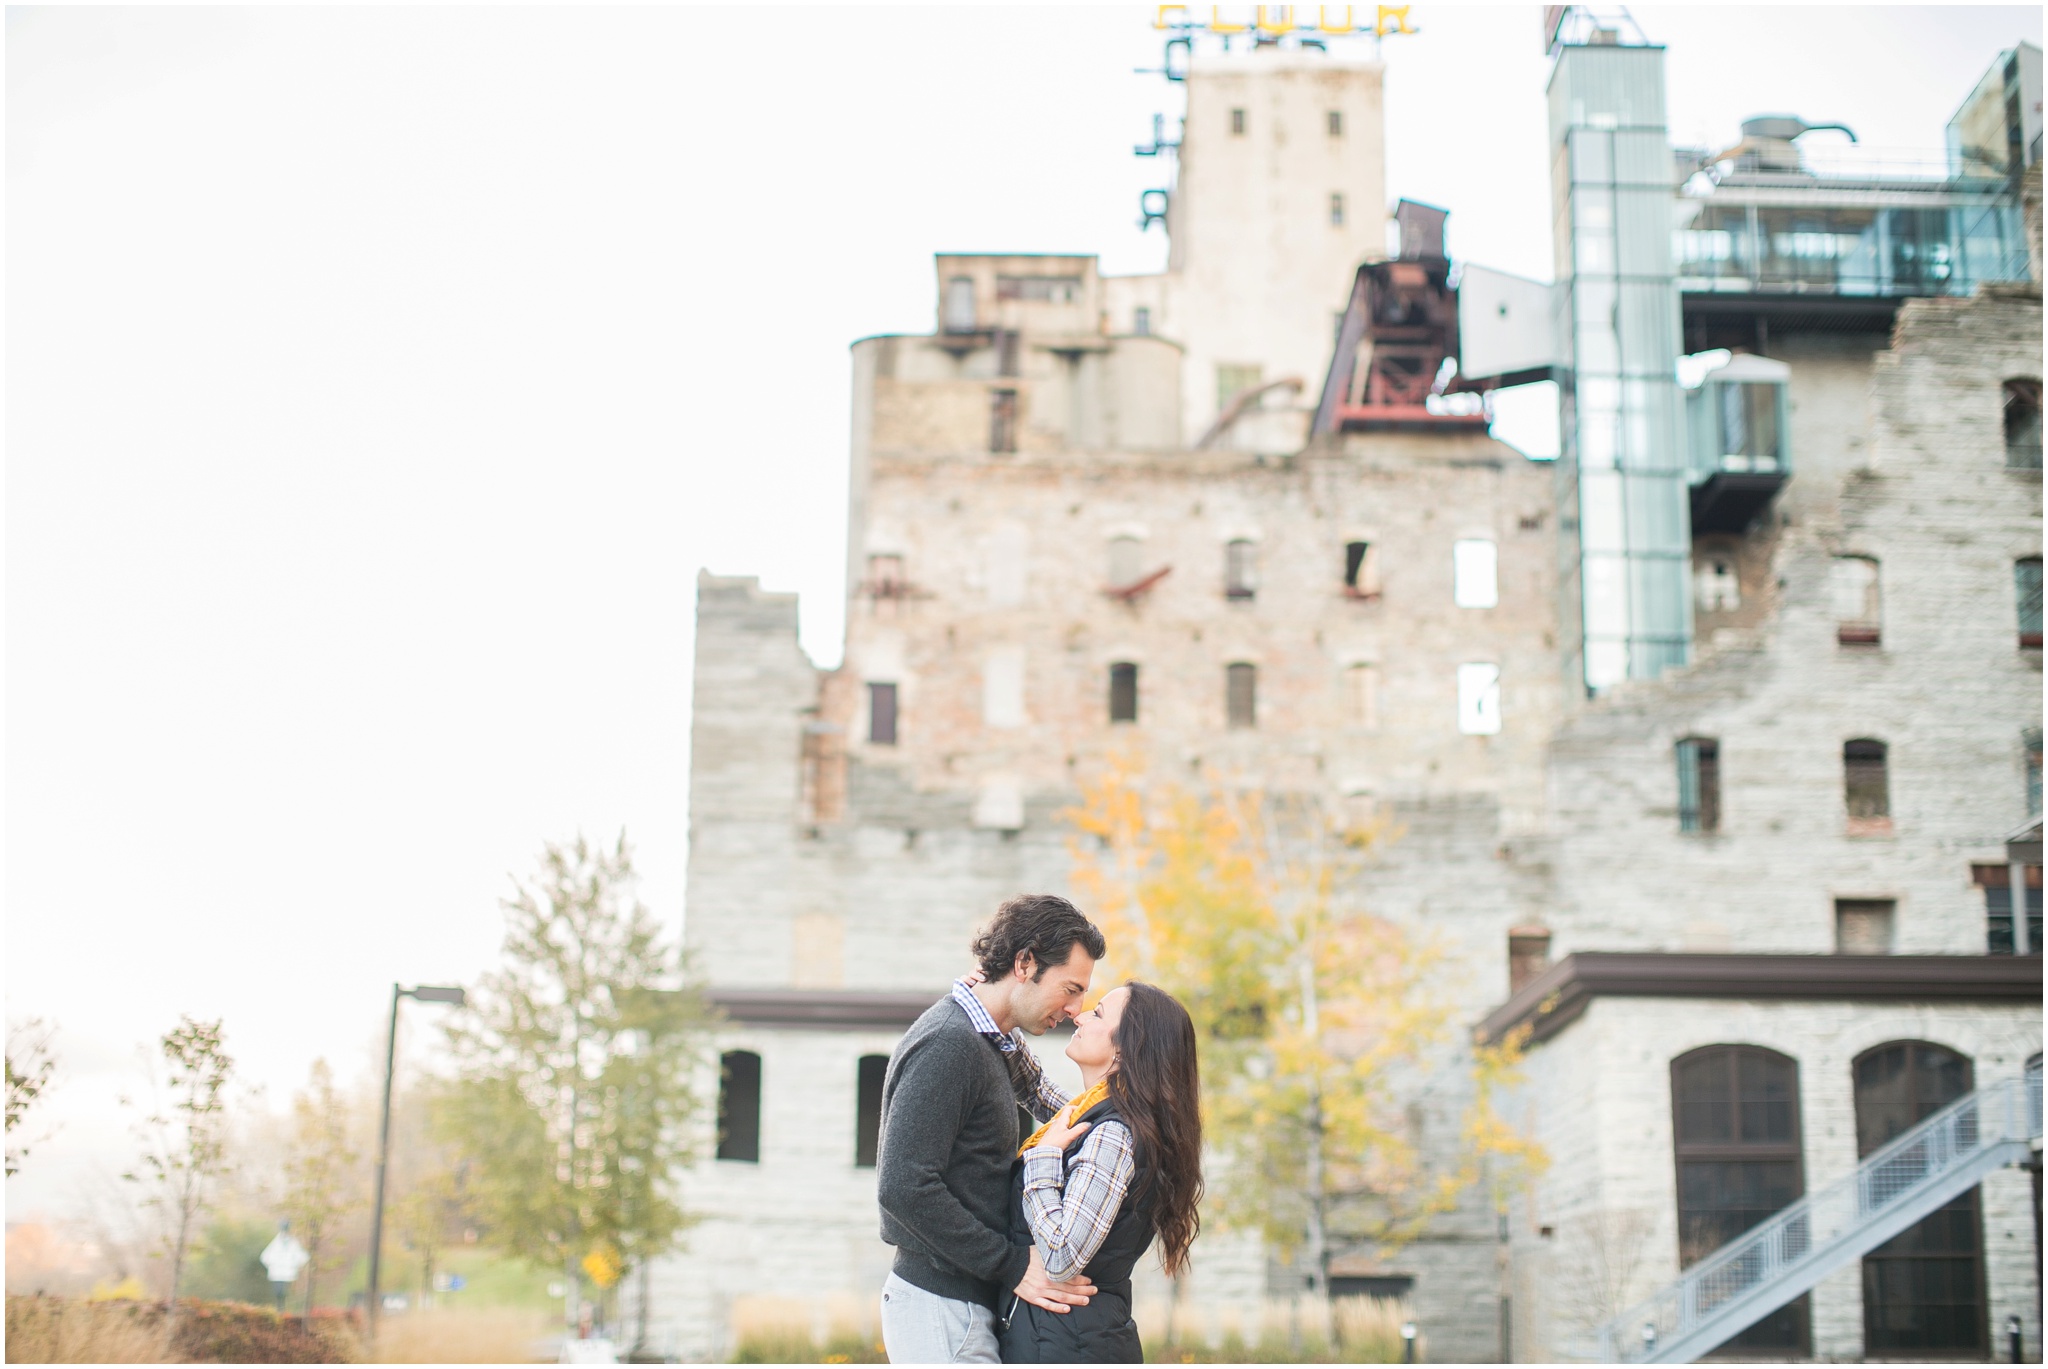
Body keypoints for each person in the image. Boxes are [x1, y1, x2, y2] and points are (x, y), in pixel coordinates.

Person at [876, 894, 1108, 1363]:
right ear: (1025, 964)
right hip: (940, 1308)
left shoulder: (989, 1042)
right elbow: (903, 1187)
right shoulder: (949, 1044)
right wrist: (1014, 1264)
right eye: (1070, 988)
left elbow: (1040, 1090)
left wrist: (1112, 1123)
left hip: (959, 1305)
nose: (1076, 1008)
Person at [995, 981, 1203, 1364]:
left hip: (1067, 1345)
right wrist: (999, 1009)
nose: (1080, 1014)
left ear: (1125, 1050)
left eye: (1099, 1013)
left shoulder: (1114, 1135)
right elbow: (1040, 1092)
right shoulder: (1107, 1117)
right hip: (1064, 1337)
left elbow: (1061, 1256)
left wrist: (1043, 1159)